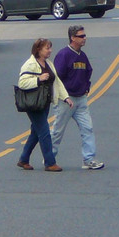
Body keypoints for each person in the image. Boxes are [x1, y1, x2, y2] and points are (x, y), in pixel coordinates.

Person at [50, 25, 104, 170]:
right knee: (57, 131)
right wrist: (63, 96)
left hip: (81, 99)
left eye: (84, 35)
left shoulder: (83, 56)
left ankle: (89, 159)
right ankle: (50, 158)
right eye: (81, 36)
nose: (84, 38)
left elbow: (88, 71)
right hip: (66, 101)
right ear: (73, 38)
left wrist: (86, 88)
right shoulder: (64, 55)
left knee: (88, 129)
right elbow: (56, 78)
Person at [17, 38, 71, 171]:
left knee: (36, 132)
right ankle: (50, 162)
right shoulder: (30, 64)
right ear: (38, 50)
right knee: (45, 131)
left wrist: (66, 97)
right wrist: (38, 79)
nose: (50, 51)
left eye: (50, 48)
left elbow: (57, 81)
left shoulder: (48, 63)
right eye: (47, 48)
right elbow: (22, 83)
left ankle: (23, 159)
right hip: (33, 103)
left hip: (44, 103)